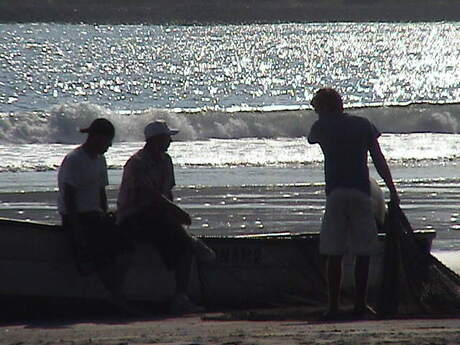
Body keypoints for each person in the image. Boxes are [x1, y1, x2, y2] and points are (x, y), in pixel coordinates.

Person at [307, 88, 400, 319]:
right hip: (361, 193)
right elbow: (378, 159)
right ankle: (360, 304)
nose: (315, 111)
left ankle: (333, 307)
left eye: (316, 106)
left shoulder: (321, 127)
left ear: (327, 107)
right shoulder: (363, 124)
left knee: (334, 252)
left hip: (336, 194)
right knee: (364, 251)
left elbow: (312, 138)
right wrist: (391, 188)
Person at [117, 120, 215, 314]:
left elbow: (166, 193)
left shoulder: (165, 160)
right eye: (166, 138)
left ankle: (180, 296)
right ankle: (192, 242)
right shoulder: (137, 163)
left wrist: (174, 215)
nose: (170, 142)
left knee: (182, 247)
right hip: (134, 215)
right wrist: (176, 213)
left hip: (157, 215)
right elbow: (150, 196)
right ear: (155, 140)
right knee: (175, 231)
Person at [57, 118, 130, 310]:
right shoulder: (74, 160)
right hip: (78, 216)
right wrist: (76, 228)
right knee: (101, 253)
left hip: (95, 214)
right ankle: (115, 296)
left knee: (126, 245)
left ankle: (116, 292)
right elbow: (69, 197)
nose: (110, 145)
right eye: (108, 140)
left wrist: (105, 213)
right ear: (96, 138)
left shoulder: (100, 159)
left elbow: (101, 191)